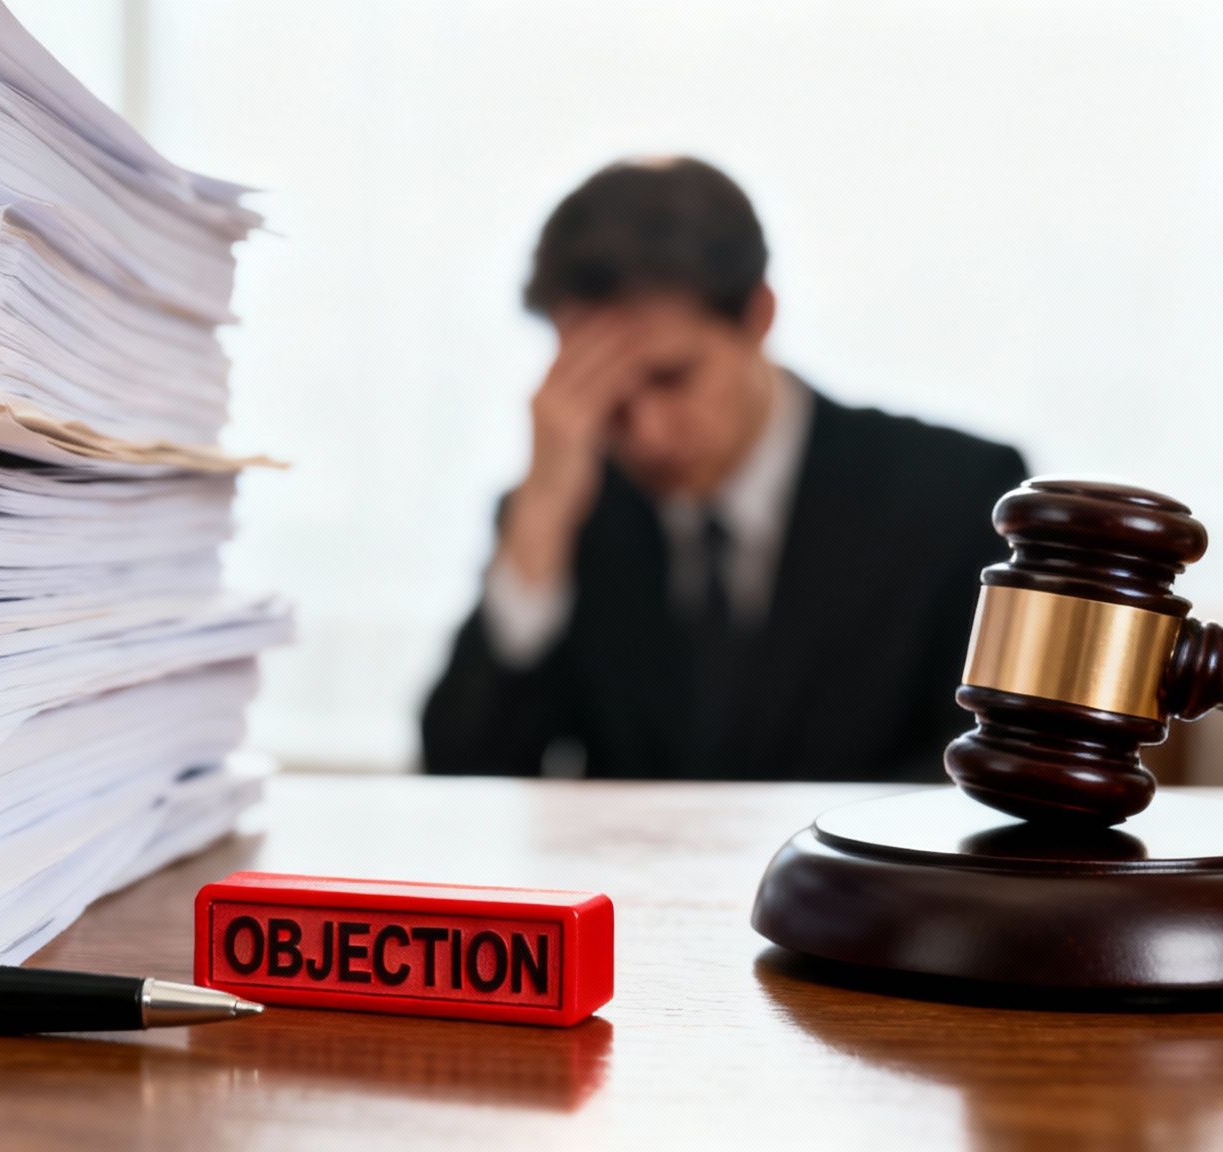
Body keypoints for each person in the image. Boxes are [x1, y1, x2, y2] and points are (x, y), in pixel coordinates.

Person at [421, 157, 1028, 782]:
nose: (648, 433)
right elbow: (460, 776)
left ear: (758, 316)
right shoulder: (566, 513)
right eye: (609, 396)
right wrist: (539, 526)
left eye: (671, 377)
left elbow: (989, 774)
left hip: (864, 880)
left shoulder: (955, 495)